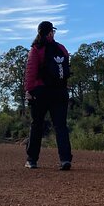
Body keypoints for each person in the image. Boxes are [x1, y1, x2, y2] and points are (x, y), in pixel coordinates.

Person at [24, 21, 73, 170]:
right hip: (60, 92)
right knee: (60, 126)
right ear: (51, 32)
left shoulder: (36, 49)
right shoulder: (61, 48)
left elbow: (31, 72)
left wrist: (29, 90)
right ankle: (65, 159)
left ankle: (32, 160)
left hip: (41, 92)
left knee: (36, 125)